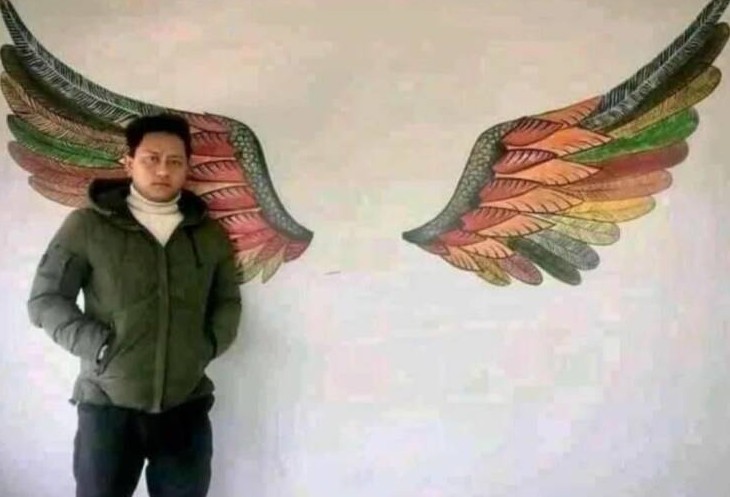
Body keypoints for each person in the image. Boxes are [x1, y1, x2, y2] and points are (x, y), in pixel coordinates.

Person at [27, 113, 242, 497]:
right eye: (151, 159)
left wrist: (206, 347)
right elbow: (46, 299)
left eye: (174, 161)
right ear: (128, 162)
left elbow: (227, 300)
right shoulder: (88, 226)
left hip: (186, 406)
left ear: (187, 167)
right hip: (108, 408)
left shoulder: (208, 234)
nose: (163, 170)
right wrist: (98, 346)